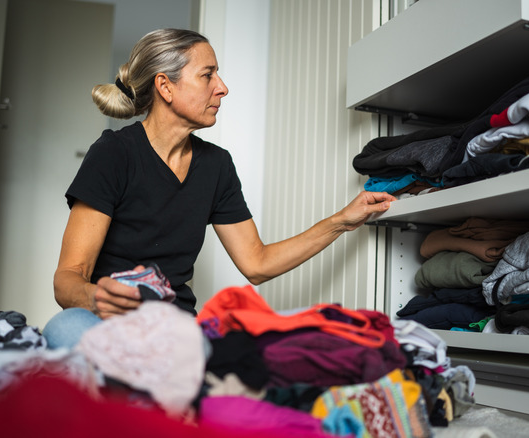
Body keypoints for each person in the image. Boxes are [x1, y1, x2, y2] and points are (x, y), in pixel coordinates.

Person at [42, 28, 396, 349]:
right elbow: (67, 280)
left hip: (174, 328)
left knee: (252, 348)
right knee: (64, 328)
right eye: (208, 74)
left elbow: (257, 263)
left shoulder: (217, 166)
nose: (222, 87)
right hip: (107, 323)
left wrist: (341, 221)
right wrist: (95, 297)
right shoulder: (114, 154)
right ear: (165, 86)